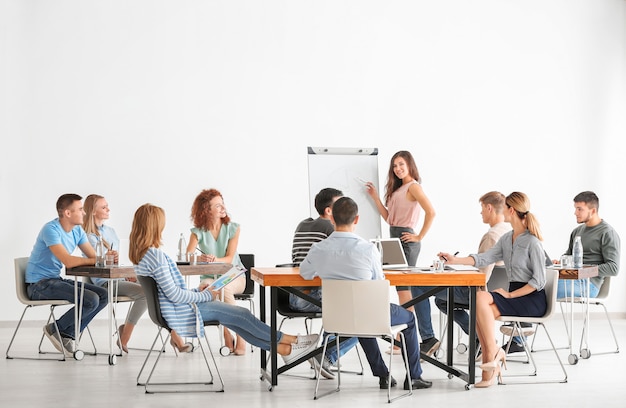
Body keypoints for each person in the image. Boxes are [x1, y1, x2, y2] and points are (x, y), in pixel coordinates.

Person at [130, 203, 319, 365]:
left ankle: (285, 351)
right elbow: (174, 295)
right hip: (184, 311)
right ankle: (293, 340)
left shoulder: (142, 256)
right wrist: (206, 295)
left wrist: (198, 290)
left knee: (238, 321)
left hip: (176, 309)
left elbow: (168, 292)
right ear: (155, 226)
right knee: (243, 315)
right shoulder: (155, 256)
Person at [300, 197, 433, 391]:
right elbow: (377, 285)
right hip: (367, 313)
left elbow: (305, 272)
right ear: (357, 220)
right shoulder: (368, 250)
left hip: (335, 317)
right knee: (405, 318)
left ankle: (383, 375)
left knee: (361, 317)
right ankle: (414, 376)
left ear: (332, 220)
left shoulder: (318, 249)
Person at [438, 192, 547, 388]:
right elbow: (483, 259)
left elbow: (538, 282)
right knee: (481, 303)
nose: (502, 210)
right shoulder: (506, 239)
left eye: (505, 207)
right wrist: (455, 260)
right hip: (513, 295)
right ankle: (492, 357)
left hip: (531, 299)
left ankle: (490, 356)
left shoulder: (533, 242)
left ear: (511, 210)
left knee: (481, 301)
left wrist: (511, 294)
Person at [364, 150, 437, 356]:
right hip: (393, 238)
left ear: (410, 165)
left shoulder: (413, 187)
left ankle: (404, 339)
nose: (398, 169)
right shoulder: (399, 189)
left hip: (406, 240)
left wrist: (419, 236)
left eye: (401, 164)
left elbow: (431, 212)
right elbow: (389, 218)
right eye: (395, 165)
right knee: (400, 289)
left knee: (405, 291)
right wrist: (376, 197)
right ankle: (402, 339)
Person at [25, 193, 108, 356]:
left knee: (104, 295)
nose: (84, 213)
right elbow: (68, 262)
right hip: (38, 285)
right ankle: (55, 329)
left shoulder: (77, 230)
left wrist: (95, 259)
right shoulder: (50, 229)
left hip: (55, 280)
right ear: (68, 213)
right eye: (80, 209)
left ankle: (66, 334)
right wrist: (90, 259)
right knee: (91, 299)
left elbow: (94, 258)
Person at [290, 187, 359, 379]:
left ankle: (323, 355)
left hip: (294, 295)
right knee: (364, 316)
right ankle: (325, 355)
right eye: (339, 206)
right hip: (312, 297)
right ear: (330, 212)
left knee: (343, 301)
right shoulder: (331, 228)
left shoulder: (303, 224)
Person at [434, 191, 511, 350]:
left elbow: (481, 276)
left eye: (482, 208)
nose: (481, 212)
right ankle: (482, 338)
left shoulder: (492, 236)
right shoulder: (510, 232)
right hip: (506, 294)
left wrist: (454, 269)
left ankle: (480, 337)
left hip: (484, 295)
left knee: (437, 296)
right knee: (443, 298)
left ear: (489, 208)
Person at [81, 194, 153, 353]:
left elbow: (115, 262)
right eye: (104, 207)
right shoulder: (86, 236)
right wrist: (108, 259)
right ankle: (125, 334)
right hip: (105, 282)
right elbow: (97, 263)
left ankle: (175, 336)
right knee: (144, 294)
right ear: (93, 211)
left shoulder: (111, 232)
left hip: (119, 277)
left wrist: (126, 273)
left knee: (155, 285)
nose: (108, 209)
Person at [186, 189, 248, 355]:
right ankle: (226, 333)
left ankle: (240, 334)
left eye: (223, 204)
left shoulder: (233, 228)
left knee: (224, 288)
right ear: (206, 210)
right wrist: (201, 259)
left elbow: (229, 258)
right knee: (206, 289)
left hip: (235, 275)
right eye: (218, 205)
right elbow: (188, 256)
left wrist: (214, 259)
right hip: (209, 278)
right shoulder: (197, 232)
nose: (223, 208)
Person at [554, 191, 620, 299]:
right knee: (541, 284)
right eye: (575, 208)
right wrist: (560, 262)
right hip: (571, 279)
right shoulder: (576, 232)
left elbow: (613, 268)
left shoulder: (607, 233)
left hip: (589, 284)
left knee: (551, 289)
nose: (575, 212)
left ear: (593, 211)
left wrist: (583, 273)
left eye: (579, 209)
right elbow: (569, 255)